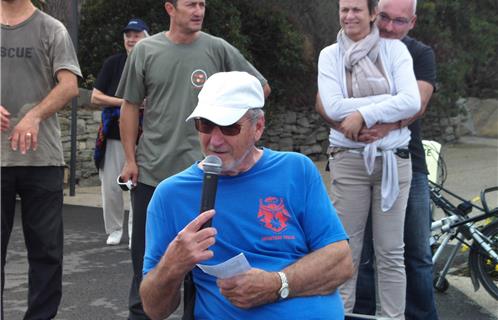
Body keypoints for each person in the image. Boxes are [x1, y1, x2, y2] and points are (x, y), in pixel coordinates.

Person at [139, 71, 353, 320]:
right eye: (205, 125)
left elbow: (341, 262)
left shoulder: (296, 170)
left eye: (230, 127)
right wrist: (172, 265)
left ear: (258, 127)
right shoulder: (171, 194)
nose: (215, 141)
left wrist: (276, 284)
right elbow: (154, 309)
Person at [115, 1, 271, 318]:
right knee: (148, 267)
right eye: (190, 4)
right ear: (170, 8)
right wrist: (129, 159)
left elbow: (260, 89)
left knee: (204, 266)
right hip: (154, 175)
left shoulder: (218, 49)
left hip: (207, 180)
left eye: (202, 4)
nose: (198, 10)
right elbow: (129, 107)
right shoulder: (146, 50)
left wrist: (237, 127)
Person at [316, 0, 421, 318]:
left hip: (394, 161)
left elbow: (412, 100)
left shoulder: (395, 52)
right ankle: (340, 314)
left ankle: (393, 317)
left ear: (373, 13)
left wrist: (362, 111)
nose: (349, 16)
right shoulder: (329, 55)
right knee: (345, 250)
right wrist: (390, 101)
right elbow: (332, 107)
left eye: (356, 10)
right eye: (344, 9)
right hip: (348, 160)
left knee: (391, 252)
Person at [352, 0, 438, 319]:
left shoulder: (420, 54)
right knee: (357, 252)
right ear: (374, 14)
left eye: (399, 21)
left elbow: (418, 102)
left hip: (407, 164)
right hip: (353, 161)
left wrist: (378, 123)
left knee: (415, 253)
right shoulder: (350, 46)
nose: (389, 27)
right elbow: (327, 100)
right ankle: (358, 315)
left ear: (412, 22)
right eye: (384, 18)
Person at [0, 0, 81, 319]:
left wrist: (34, 115)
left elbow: (70, 86)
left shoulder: (52, 29)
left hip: (42, 160)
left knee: (47, 254)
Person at [91, 18, 149, 247]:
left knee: (141, 187)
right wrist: (127, 102)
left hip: (146, 137)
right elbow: (95, 96)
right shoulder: (113, 63)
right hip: (113, 134)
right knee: (112, 186)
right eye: (128, 35)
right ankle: (114, 229)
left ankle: (137, 232)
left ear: (146, 37)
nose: (131, 39)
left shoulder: (152, 60)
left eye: (136, 35)